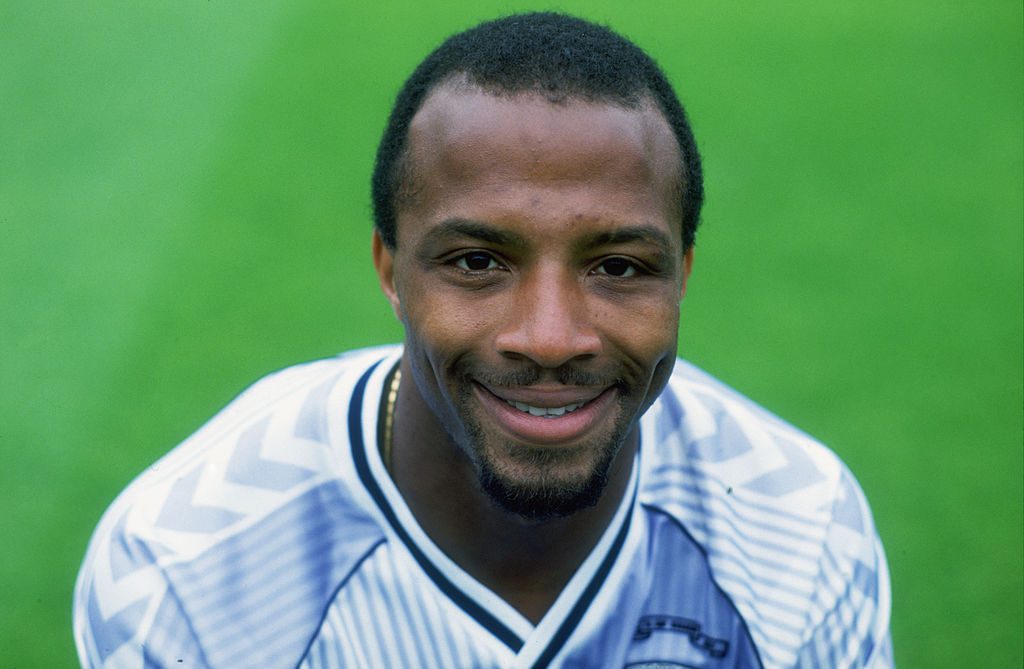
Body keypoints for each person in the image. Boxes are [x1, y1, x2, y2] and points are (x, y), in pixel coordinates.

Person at [73, 12, 892, 669]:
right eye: (476, 261)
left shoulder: (799, 530)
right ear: (390, 268)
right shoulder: (186, 564)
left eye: (617, 266)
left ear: (681, 274)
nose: (549, 337)